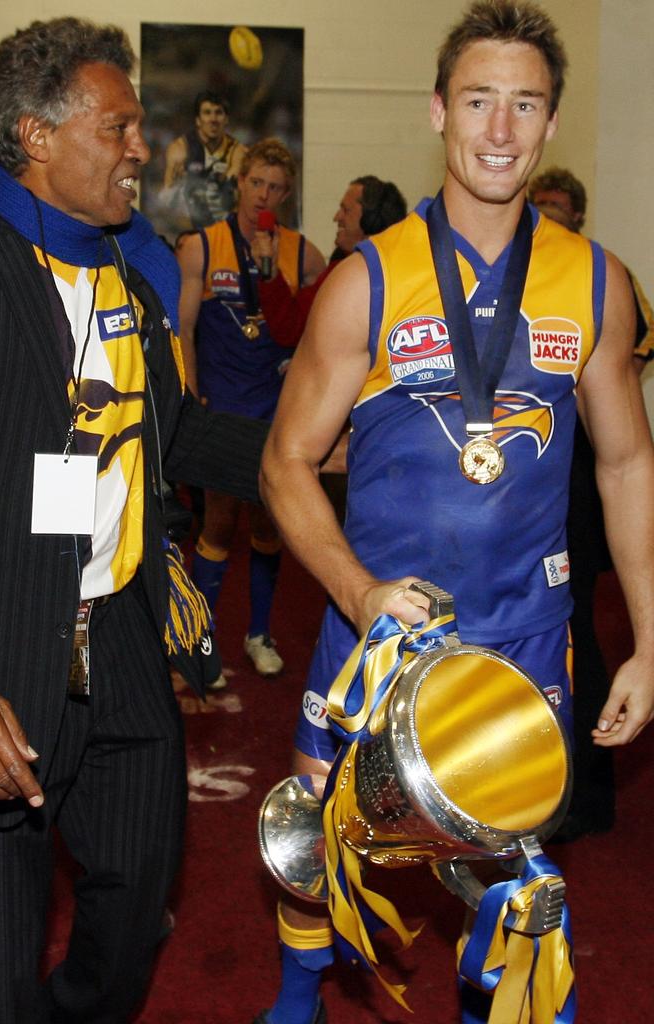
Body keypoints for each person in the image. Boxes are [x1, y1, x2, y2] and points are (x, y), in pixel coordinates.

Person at [256, 2, 654, 1022]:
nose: (499, 131)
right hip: (377, 630)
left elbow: (626, 464)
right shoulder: (368, 279)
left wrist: (649, 639)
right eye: (480, 100)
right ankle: (300, 998)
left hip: (523, 632)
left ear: (551, 120)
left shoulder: (595, 283)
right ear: (439, 110)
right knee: (318, 833)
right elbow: (285, 464)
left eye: (525, 105)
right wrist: (356, 592)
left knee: (515, 887)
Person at [0, 18, 271, 1024]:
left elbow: (172, 433)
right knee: (2, 981)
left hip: (125, 655)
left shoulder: (124, 273)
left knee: (138, 918)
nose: (142, 148)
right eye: (121, 126)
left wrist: (326, 445)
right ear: (36, 136)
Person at [529, 166, 654, 841]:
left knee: (574, 624)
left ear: (578, 212)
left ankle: (589, 788)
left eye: (559, 206)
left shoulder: (606, 278)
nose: (548, 214)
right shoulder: (518, 274)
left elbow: (622, 378)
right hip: (536, 465)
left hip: (586, 468)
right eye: (540, 204)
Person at [178, 138, 325, 681]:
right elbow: (185, 328)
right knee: (216, 523)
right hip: (223, 403)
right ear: (240, 183)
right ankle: (201, 639)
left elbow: (319, 334)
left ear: (286, 194)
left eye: (277, 187)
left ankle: (259, 632)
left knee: (269, 522)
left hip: (275, 406)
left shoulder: (303, 253)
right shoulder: (201, 246)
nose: (265, 194)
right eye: (258, 182)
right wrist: (192, 394)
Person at [255, 175, 407, 347]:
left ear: (371, 221)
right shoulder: (339, 267)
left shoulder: (399, 279)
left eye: (346, 210)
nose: (337, 217)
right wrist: (271, 273)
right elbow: (291, 328)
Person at [162, 90, 247, 229]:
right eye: (207, 113)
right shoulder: (180, 149)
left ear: (226, 119)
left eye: (218, 113)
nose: (213, 119)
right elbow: (166, 200)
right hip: (188, 227)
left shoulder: (239, 152)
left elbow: (237, 193)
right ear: (198, 120)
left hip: (225, 229)